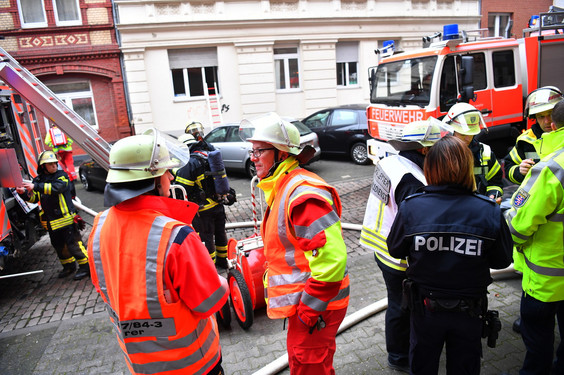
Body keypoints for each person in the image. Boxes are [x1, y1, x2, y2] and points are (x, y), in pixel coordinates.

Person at [87, 129, 228, 375]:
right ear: (153, 179)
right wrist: (222, 283)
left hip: (139, 366)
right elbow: (210, 302)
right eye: (166, 172)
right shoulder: (176, 235)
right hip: (194, 365)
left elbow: (105, 289)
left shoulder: (98, 228)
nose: (171, 179)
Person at [387, 135, 513, 375]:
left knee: (422, 366)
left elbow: (395, 249)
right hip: (469, 312)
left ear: (430, 168)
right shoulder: (488, 210)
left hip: (424, 310)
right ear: (467, 168)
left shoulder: (412, 206)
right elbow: (503, 260)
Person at [239, 112, 349, 374]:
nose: (252, 158)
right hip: (308, 307)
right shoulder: (284, 185)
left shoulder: (302, 194)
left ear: (281, 153)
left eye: (258, 151)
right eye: (251, 151)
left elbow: (332, 261)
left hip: (316, 308)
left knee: (310, 367)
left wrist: (308, 311)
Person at [359, 117, 450, 373]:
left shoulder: (391, 162)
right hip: (397, 257)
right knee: (402, 305)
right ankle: (399, 357)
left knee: (396, 302)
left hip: (382, 246)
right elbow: (417, 222)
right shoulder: (412, 180)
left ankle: (399, 353)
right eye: (437, 148)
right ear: (424, 149)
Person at [505, 99, 564, 375]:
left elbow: (518, 225)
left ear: (552, 124)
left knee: (537, 338)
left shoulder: (552, 169)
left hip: (546, 280)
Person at [16, 150, 89, 280]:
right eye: (50, 164)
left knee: (74, 245)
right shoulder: (39, 180)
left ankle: (86, 267)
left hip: (66, 219)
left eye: (55, 163)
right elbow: (34, 198)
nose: (54, 166)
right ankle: (68, 267)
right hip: (52, 223)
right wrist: (23, 193)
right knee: (59, 247)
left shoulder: (61, 176)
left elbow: (57, 188)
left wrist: (35, 186)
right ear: (43, 166)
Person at [172, 122, 235, 268]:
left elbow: (183, 188)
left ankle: (210, 268)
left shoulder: (190, 162)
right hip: (219, 204)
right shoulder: (208, 155)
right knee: (220, 234)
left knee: (207, 238)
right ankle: (223, 261)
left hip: (203, 210)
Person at [443, 102, 504, 203]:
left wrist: (493, 194)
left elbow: (495, 182)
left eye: (471, 134)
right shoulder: (440, 154)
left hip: (480, 209)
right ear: (451, 130)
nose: (468, 138)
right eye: (463, 134)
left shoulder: (485, 152)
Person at [504, 86, 562, 184]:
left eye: (550, 115)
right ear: (534, 117)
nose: (547, 121)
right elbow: (508, 168)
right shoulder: (526, 140)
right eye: (541, 117)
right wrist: (520, 171)